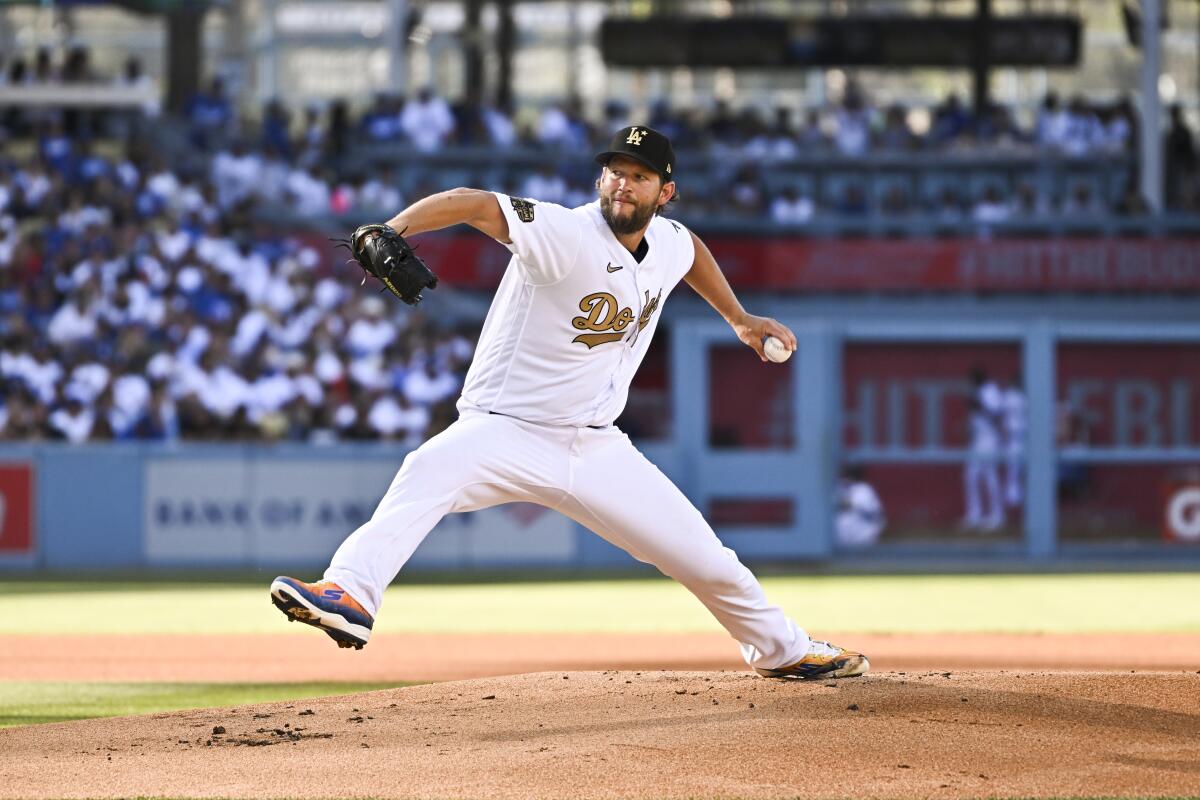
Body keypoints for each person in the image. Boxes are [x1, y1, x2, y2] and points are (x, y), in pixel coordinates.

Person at [270, 126, 869, 680]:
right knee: (424, 471)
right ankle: (348, 592)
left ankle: (782, 651)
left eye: (638, 175)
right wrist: (393, 229)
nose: (622, 183)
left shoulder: (667, 242)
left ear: (666, 191)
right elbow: (475, 203)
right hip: (503, 430)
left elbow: (691, 253)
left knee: (706, 557)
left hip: (595, 445)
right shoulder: (564, 232)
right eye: (613, 170)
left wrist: (738, 318)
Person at [962, 366, 1004, 533]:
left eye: (973, 378)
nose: (970, 382)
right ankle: (975, 515)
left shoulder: (990, 390)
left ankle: (997, 516)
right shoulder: (979, 391)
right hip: (978, 438)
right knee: (971, 476)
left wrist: (978, 404)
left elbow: (997, 415)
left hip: (990, 438)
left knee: (990, 476)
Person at [834, 464, 885, 548]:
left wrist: (847, 503)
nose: (845, 478)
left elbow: (874, 513)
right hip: (841, 540)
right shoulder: (838, 488)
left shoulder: (864, 489)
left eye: (847, 474)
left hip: (863, 536)